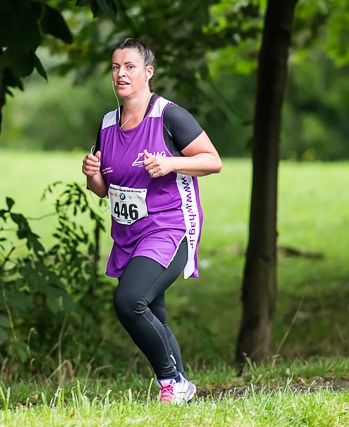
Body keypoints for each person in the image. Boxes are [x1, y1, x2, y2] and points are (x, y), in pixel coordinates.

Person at [81, 37, 222, 404]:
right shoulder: (108, 123)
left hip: (169, 229)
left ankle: (171, 381)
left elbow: (212, 160)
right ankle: (182, 389)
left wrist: (172, 162)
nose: (121, 74)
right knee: (152, 314)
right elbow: (103, 189)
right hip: (129, 236)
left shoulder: (169, 115)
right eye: (115, 67)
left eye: (129, 66)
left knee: (130, 302)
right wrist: (92, 174)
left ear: (148, 72)